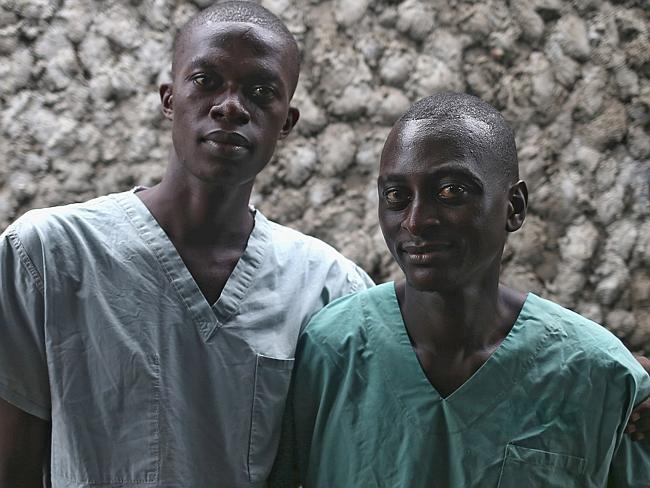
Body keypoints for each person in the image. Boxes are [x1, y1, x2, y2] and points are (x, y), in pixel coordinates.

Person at [0, 2, 373, 487]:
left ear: (287, 121)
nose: (231, 106)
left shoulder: (328, 290)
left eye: (261, 91)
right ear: (169, 99)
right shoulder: (49, 257)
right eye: (207, 80)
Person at [277, 93, 650, 487]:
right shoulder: (332, 352)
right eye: (395, 196)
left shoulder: (596, 374)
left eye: (452, 191)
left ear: (514, 207)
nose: (416, 221)